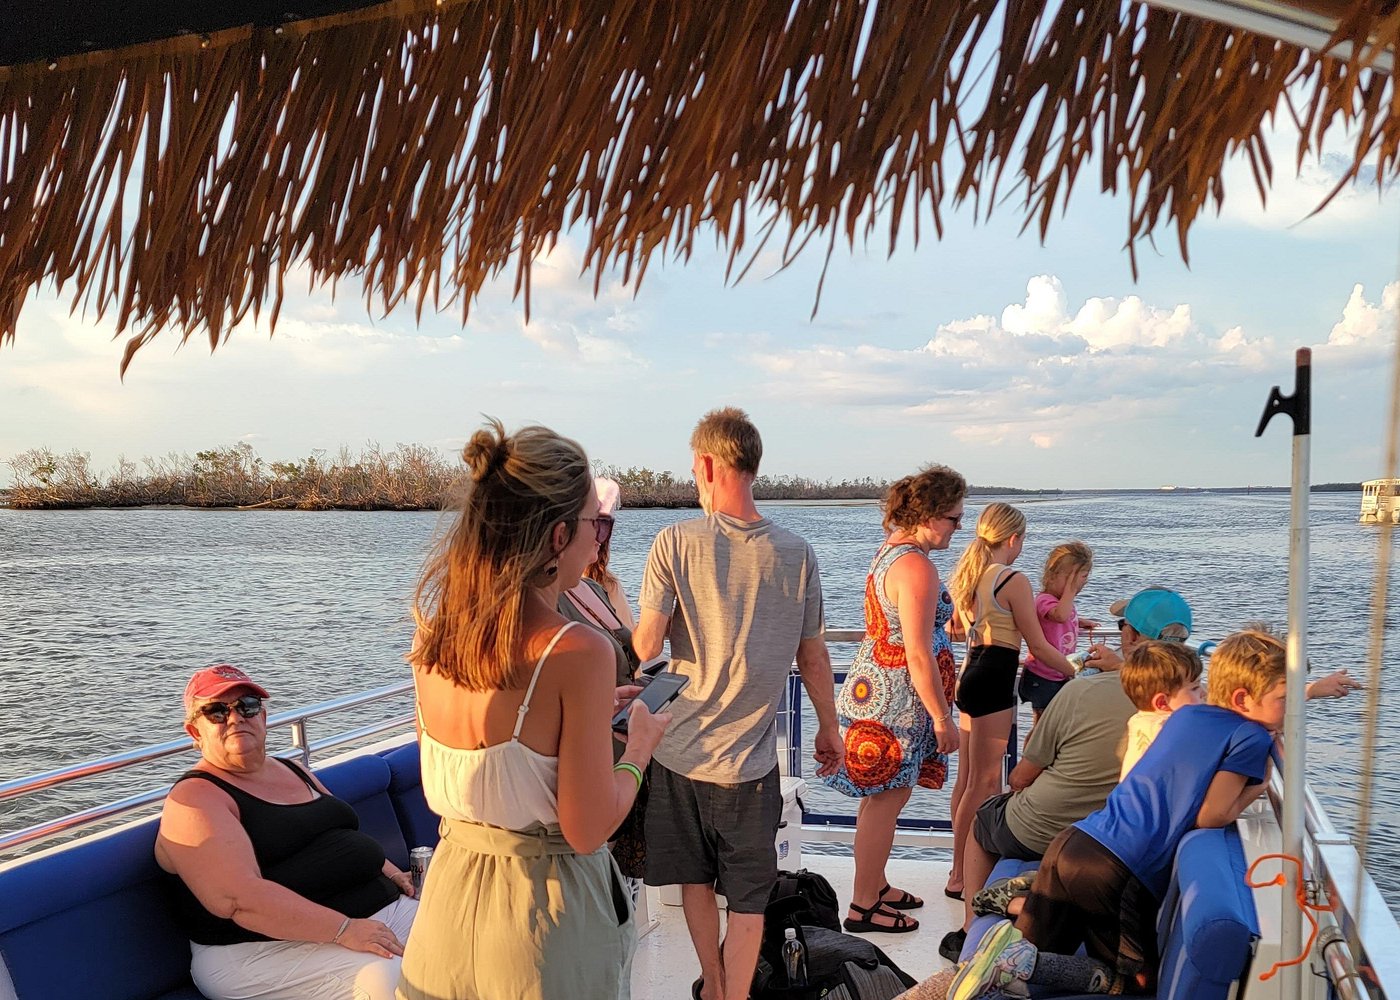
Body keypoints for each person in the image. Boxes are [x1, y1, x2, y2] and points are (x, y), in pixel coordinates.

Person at [398, 420, 670, 1000]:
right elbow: (587, 828)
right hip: (541, 925)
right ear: (558, 535)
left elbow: (484, 772)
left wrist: (587, 720)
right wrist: (639, 750)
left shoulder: (433, 640)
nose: (599, 541)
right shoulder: (578, 651)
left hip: (447, 910)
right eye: (594, 524)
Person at [949, 629, 1284, 999]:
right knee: (1134, 986)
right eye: (1285, 699)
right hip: (1117, 869)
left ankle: (997, 961)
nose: (1292, 709)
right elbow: (1212, 816)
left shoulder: (1188, 716)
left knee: (1025, 970)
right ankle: (1016, 957)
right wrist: (1259, 784)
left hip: (1074, 842)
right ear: (1243, 698)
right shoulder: (1252, 737)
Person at [632, 407, 841, 1000]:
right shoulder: (797, 552)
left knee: (694, 880)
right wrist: (829, 726)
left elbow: (647, 647)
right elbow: (813, 656)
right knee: (749, 899)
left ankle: (714, 986)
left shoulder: (674, 542)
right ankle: (735, 995)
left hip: (679, 753)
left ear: (706, 464)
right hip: (751, 763)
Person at [938, 585, 1195, 963]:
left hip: (1048, 829)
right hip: (1117, 839)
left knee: (983, 820)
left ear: (1130, 636)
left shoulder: (1080, 692)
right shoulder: (1192, 707)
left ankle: (969, 928)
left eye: (1122, 626)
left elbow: (1021, 777)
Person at [156, 665, 420, 1000]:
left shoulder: (292, 768)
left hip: (371, 915)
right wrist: (343, 929)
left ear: (263, 717)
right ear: (195, 731)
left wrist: (394, 874)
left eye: (247, 706)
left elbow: (341, 834)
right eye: (217, 712)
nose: (235, 718)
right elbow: (240, 900)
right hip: (262, 951)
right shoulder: (196, 799)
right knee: (394, 980)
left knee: (473, 932)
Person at [825, 465, 967, 934]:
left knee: (878, 800)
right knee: (887, 799)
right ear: (927, 515)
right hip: (896, 702)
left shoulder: (892, 552)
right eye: (953, 518)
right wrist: (942, 718)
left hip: (879, 692)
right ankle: (864, 905)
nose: (958, 527)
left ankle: (875, 884)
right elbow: (918, 653)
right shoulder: (916, 566)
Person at [944, 503, 1075, 906]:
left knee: (967, 779)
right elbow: (1038, 646)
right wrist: (1075, 671)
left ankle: (956, 869)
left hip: (971, 671)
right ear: (1014, 538)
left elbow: (958, 629)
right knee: (985, 781)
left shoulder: (971, 575)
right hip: (995, 676)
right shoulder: (1012, 579)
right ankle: (962, 874)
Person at [559, 476, 639, 687]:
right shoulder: (547, 600)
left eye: (606, 525)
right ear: (561, 531)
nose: (602, 537)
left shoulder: (598, 588)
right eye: (598, 523)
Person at [1018, 542, 1096, 724]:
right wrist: (1071, 590)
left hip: (1058, 672)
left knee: (1057, 723)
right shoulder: (1044, 600)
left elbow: (1062, 618)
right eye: (1070, 578)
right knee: (1044, 724)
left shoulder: (1062, 604)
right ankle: (1034, 744)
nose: (1077, 584)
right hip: (1042, 675)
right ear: (1052, 576)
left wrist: (1079, 621)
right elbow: (1059, 616)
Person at [1119, 642, 1205, 778]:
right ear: (1162, 702)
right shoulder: (1170, 728)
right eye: (1194, 688)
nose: (1204, 692)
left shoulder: (1139, 722)